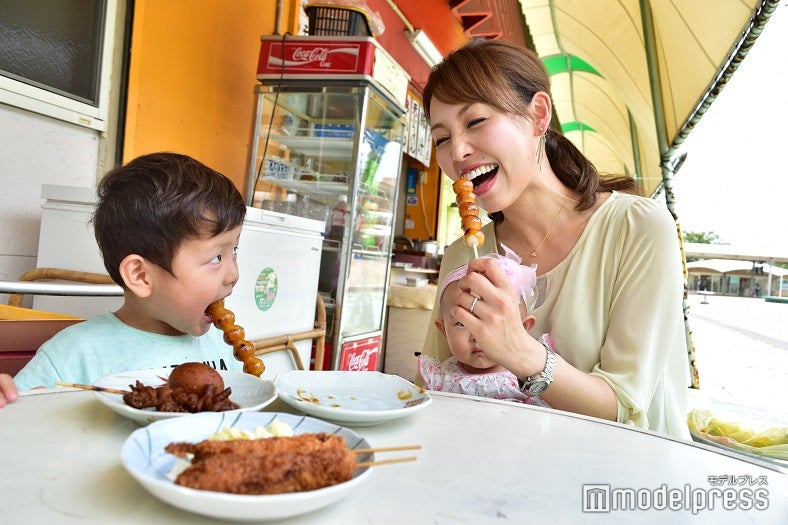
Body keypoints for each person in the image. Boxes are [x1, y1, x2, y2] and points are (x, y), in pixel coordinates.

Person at [420, 39, 690, 438]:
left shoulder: (637, 227)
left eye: (475, 121)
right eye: (442, 138)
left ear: (538, 115)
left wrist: (522, 352)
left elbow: (626, 410)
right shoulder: (465, 254)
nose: (457, 150)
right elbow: (440, 384)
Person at [1, 152, 248, 401]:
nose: (233, 274)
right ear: (141, 276)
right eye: (216, 257)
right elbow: (17, 420)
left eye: (234, 250)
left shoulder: (221, 342)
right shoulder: (74, 354)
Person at [418, 245, 552, 407]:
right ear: (444, 330)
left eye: (492, 322)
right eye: (462, 322)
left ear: (523, 329)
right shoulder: (438, 376)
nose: (478, 335)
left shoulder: (530, 377)